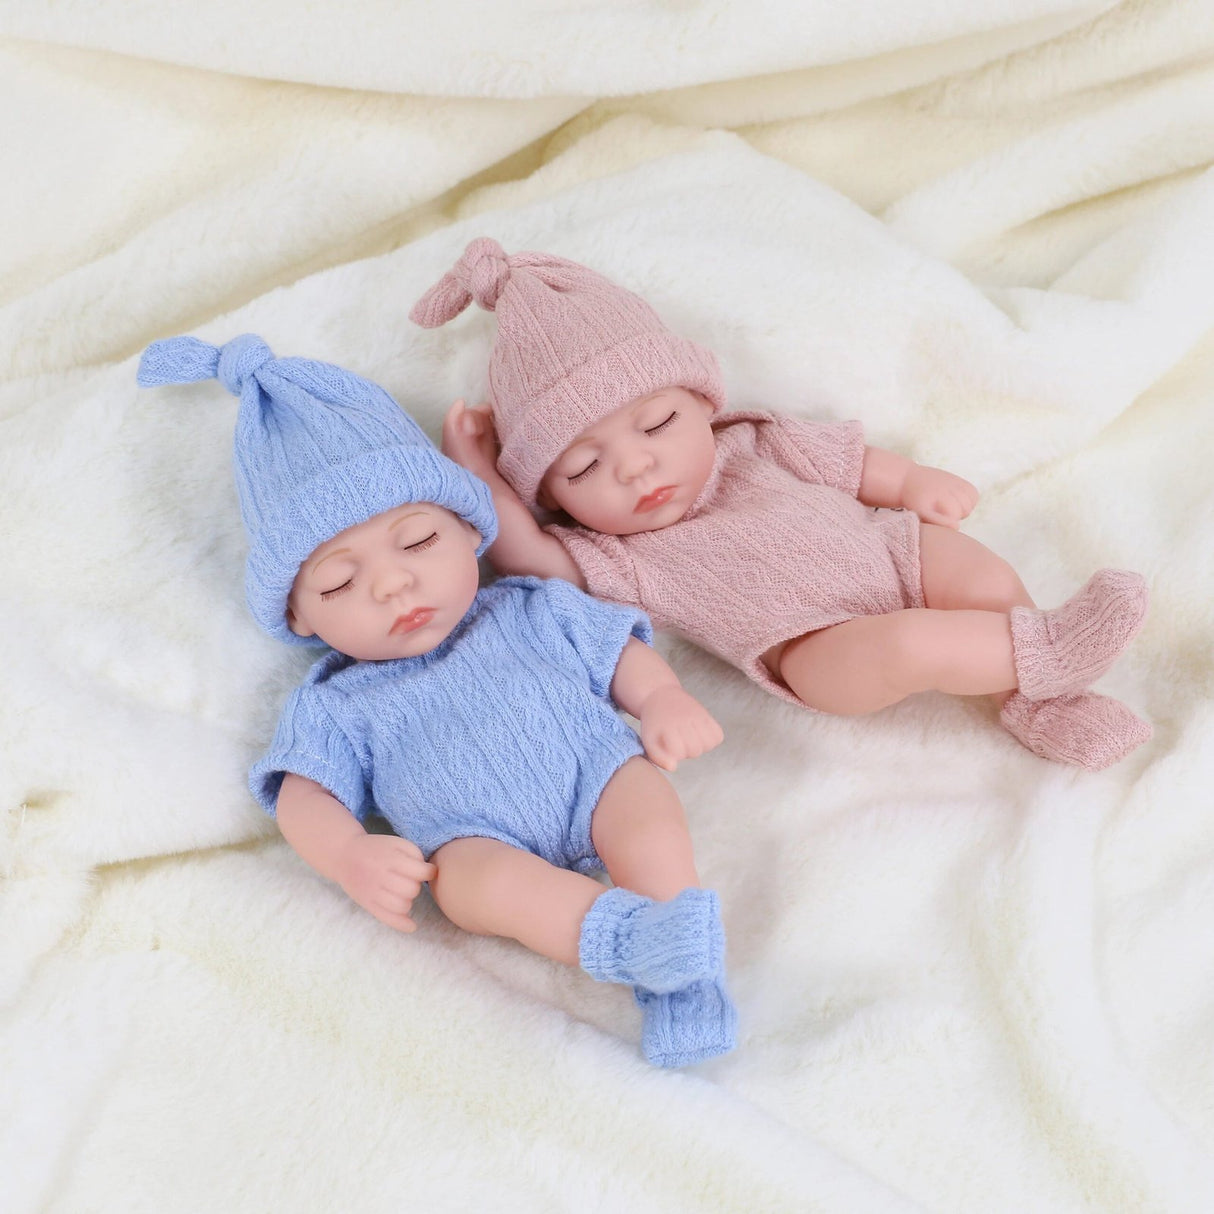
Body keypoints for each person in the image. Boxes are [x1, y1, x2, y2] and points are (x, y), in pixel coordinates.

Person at [137, 332, 736, 1068]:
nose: (392, 585)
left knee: (644, 809)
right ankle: (629, 941)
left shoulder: (529, 608)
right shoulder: (337, 702)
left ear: (469, 532)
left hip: (597, 774)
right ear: (299, 618)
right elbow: (304, 796)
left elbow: (618, 653)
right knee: (473, 887)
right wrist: (350, 855)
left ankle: (686, 977)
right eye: (338, 583)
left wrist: (663, 698)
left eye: (417, 540)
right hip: (472, 836)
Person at [417, 237, 1150, 771]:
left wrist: (910, 483)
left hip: (889, 554)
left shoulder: (753, 442)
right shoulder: (623, 556)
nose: (636, 466)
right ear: (552, 497)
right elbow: (528, 558)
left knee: (974, 574)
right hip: (815, 647)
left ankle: (1033, 700)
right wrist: (479, 469)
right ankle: (1049, 648)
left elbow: (851, 463)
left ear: (703, 404)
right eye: (584, 466)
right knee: (913, 644)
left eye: (658, 424)